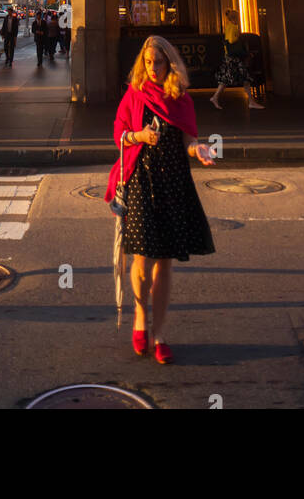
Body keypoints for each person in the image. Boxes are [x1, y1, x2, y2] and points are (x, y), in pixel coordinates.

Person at [105, 36, 216, 364]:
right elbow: (119, 135)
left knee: (165, 260)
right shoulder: (134, 93)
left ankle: (161, 332)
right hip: (141, 179)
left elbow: (189, 139)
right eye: (149, 62)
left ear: (170, 64)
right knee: (141, 257)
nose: (153, 68)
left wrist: (200, 149)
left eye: (159, 62)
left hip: (173, 181)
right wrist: (139, 135)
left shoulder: (180, 97)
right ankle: (140, 318)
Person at [211, 7, 264, 110]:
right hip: (234, 58)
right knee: (244, 78)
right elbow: (231, 40)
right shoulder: (233, 27)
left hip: (230, 57)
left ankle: (215, 97)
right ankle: (251, 102)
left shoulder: (228, 26)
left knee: (228, 79)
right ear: (235, 18)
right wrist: (238, 38)